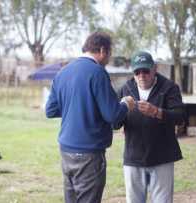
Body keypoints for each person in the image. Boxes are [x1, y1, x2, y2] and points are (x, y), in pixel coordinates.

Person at [45, 32, 135, 203]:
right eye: (109, 53)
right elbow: (113, 115)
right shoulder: (97, 73)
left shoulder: (63, 72)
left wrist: (78, 108)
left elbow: (50, 110)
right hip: (89, 153)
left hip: (66, 151)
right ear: (102, 50)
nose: (109, 59)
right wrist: (126, 104)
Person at [115, 51, 184, 203]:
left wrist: (157, 112)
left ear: (155, 69)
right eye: (137, 71)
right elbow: (114, 123)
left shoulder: (169, 87)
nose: (141, 75)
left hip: (162, 157)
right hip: (133, 157)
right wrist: (122, 109)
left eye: (145, 70)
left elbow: (180, 117)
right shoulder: (125, 89)